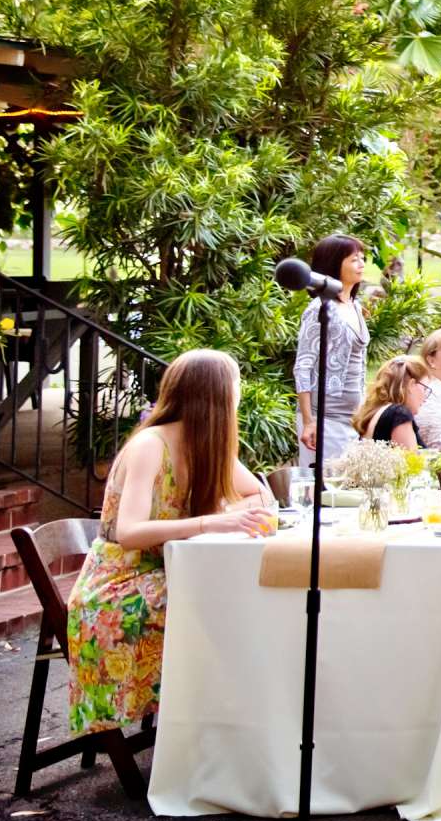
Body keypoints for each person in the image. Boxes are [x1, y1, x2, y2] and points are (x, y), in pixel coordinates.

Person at [68, 349, 277, 737]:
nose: (238, 397)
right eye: (234, 389)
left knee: (240, 600)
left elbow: (261, 496)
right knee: (226, 610)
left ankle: (228, 725)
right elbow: (129, 532)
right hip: (120, 583)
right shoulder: (152, 444)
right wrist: (213, 522)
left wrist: (228, 507)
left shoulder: (206, 445)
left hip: (171, 570)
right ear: (213, 397)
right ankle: (215, 727)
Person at [292, 232, 370, 467]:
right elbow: (303, 365)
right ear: (335, 263)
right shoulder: (320, 308)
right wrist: (308, 421)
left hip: (352, 418)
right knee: (326, 490)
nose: (361, 264)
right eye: (354, 259)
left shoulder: (354, 306)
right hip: (324, 417)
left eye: (362, 258)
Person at [354, 355, 426, 449]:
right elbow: (411, 461)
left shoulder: (374, 413)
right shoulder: (399, 414)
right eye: (424, 388)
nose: (425, 396)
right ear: (411, 385)